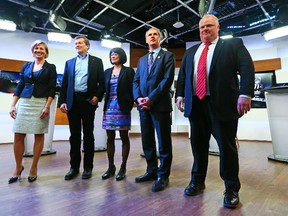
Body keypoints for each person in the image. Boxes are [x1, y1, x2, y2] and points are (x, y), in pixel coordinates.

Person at [176, 14, 255, 208]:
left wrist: (245, 94)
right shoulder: (192, 51)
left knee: (226, 148)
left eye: (209, 26)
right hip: (196, 105)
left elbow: (247, 68)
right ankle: (197, 181)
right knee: (198, 147)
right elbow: (184, 75)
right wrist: (179, 95)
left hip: (222, 105)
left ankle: (231, 189)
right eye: (202, 27)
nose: (205, 30)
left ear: (218, 27)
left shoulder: (232, 45)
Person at [8, 40, 57, 184]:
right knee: (18, 134)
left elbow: (51, 89)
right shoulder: (26, 66)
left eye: (41, 48)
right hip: (25, 102)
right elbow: (20, 85)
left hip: (41, 102)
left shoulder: (50, 68)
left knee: (38, 135)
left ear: (46, 52)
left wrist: (47, 106)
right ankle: (18, 168)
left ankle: (34, 168)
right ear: (33, 51)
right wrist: (13, 105)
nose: (38, 50)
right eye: (36, 48)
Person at [133, 27, 175, 192]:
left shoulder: (168, 56)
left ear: (160, 38)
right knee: (147, 141)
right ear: (146, 39)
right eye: (149, 35)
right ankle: (151, 171)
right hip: (143, 107)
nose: (152, 36)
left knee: (164, 142)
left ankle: (163, 176)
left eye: (155, 34)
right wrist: (138, 98)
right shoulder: (142, 60)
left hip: (160, 106)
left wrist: (151, 99)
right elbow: (136, 81)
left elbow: (167, 80)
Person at [59, 36, 105, 180]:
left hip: (88, 101)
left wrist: (97, 96)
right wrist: (62, 101)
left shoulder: (96, 62)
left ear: (87, 46)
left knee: (88, 135)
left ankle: (88, 167)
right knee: (74, 136)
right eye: (76, 43)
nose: (77, 45)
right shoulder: (69, 63)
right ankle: (74, 167)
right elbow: (64, 84)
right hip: (72, 102)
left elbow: (102, 83)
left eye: (80, 43)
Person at [101, 47, 135, 181]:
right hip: (109, 107)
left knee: (124, 137)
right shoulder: (107, 72)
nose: (113, 56)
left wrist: (131, 103)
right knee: (109, 137)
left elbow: (133, 88)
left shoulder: (128, 71)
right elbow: (102, 88)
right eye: (111, 54)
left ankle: (123, 167)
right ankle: (111, 167)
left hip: (122, 108)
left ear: (121, 56)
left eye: (115, 54)